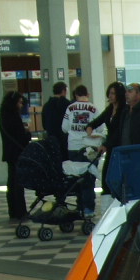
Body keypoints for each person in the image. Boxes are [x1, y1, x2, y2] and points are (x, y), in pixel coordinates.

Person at [61, 85, 102, 217]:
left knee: (76, 178)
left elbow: (64, 127)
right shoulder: (94, 108)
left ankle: (79, 206)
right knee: (89, 179)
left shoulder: (70, 108)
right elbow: (101, 128)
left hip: (73, 147)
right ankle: (89, 209)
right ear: (87, 94)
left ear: (75, 95)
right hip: (89, 148)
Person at [0, 90, 32, 221]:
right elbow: (22, 138)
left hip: (8, 153)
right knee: (18, 184)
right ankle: (21, 211)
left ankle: (13, 210)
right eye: (19, 102)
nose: (21, 105)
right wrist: (28, 133)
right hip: (17, 153)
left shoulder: (2, 117)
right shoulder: (14, 117)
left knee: (11, 183)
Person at [87, 82, 126, 194]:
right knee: (106, 176)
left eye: (113, 93)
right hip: (110, 146)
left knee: (114, 174)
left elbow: (119, 131)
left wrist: (106, 145)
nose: (110, 96)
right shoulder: (109, 109)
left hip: (118, 146)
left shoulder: (124, 110)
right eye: (109, 93)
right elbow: (97, 121)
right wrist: (90, 128)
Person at [41, 81, 70, 156]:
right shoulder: (68, 105)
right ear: (63, 91)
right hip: (65, 139)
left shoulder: (46, 106)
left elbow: (44, 124)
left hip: (51, 138)